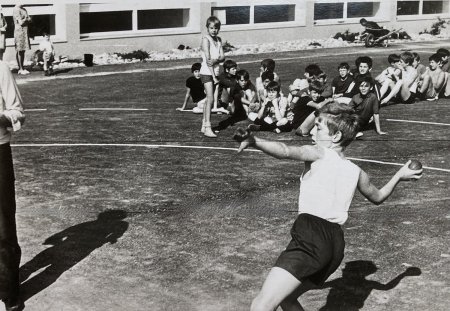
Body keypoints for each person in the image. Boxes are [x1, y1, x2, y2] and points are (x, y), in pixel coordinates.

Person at [235, 101, 423, 311]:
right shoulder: (356, 171)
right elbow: (378, 196)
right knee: (286, 299)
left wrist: (254, 140)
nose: (312, 131)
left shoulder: (319, 153)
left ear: (335, 137)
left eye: (318, 127)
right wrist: (399, 175)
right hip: (334, 246)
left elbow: (285, 150)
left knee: (261, 304)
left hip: (311, 237)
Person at [0, 60, 26, 311]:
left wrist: (2, 118)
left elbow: (18, 111)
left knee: (3, 225)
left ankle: (9, 293)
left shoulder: (0, 69)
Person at [199, 16, 225, 138]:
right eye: (211, 28)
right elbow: (208, 61)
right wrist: (214, 77)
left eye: (216, 28)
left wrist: (216, 60)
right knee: (210, 99)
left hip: (215, 72)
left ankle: (204, 126)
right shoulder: (206, 39)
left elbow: (222, 57)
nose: (214, 30)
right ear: (207, 28)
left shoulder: (218, 40)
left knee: (208, 100)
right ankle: (208, 127)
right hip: (207, 73)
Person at [13, 4, 32, 75]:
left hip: (25, 31)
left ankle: (22, 67)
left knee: (23, 50)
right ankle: (20, 68)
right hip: (19, 32)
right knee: (19, 49)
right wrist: (26, 19)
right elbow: (20, 22)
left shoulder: (24, 9)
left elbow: (30, 19)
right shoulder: (16, 10)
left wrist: (27, 19)